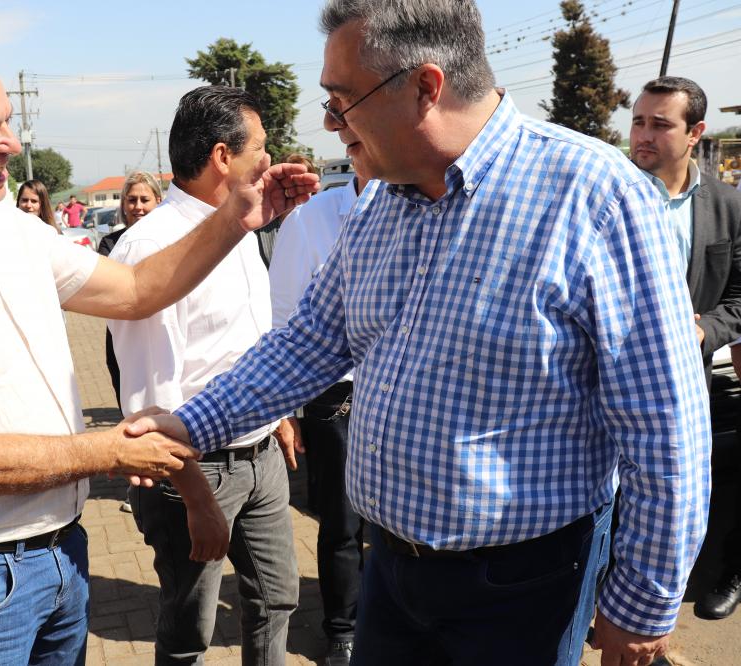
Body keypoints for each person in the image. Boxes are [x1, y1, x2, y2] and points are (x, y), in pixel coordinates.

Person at [124, 2, 710, 665]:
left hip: (524, 590)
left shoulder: (593, 197)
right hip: (392, 576)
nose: (328, 122)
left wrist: (643, 602)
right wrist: (190, 425)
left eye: (341, 101)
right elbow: (310, 342)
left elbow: (666, 428)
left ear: (425, 89)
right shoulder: (379, 203)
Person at [0, 47, 316, 664]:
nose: (10, 142)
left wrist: (239, 218)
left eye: (6, 121)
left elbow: (135, 291)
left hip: (61, 552)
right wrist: (111, 449)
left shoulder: (9, 227)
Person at [109, 87, 300, 665]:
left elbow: (248, 336)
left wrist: (279, 414)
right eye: (260, 148)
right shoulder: (153, 246)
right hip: (194, 472)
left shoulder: (237, 224)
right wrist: (194, 497)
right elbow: (147, 403)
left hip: (260, 454)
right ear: (223, 156)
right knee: (190, 627)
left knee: (277, 599)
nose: (268, 159)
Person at [628, 77, 741, 620]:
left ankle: (650, 620)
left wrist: (703, 330)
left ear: (696, 132)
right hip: (600, 388)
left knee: (669, 511)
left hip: (685, 391)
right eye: (638, 122)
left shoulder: (727, 207)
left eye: (660, 124)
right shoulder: (610, 192)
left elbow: (739, 298)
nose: (643, 135)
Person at [267, 159, 375, 666]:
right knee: (342, 521)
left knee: (403, 521)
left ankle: (391, 617)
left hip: (409, 393)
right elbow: (284, 317)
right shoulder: (312, 219)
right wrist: (286, 410)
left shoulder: (432, 208)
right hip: (339, 398)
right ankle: (343, 629)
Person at [98, 170, 164, 406]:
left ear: (159, 201)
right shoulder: (110, 243)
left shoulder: (172, 240)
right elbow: (109, 288)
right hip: (121, 336)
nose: (138, 206)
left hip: (162, 332)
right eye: (132, 200)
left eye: (144, 200)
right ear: (123, 204)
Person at [255, 152, 319, 267]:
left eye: (305, 182)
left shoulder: (320, 225)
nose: (299, 188)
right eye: (294, 182)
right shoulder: (260, 225)